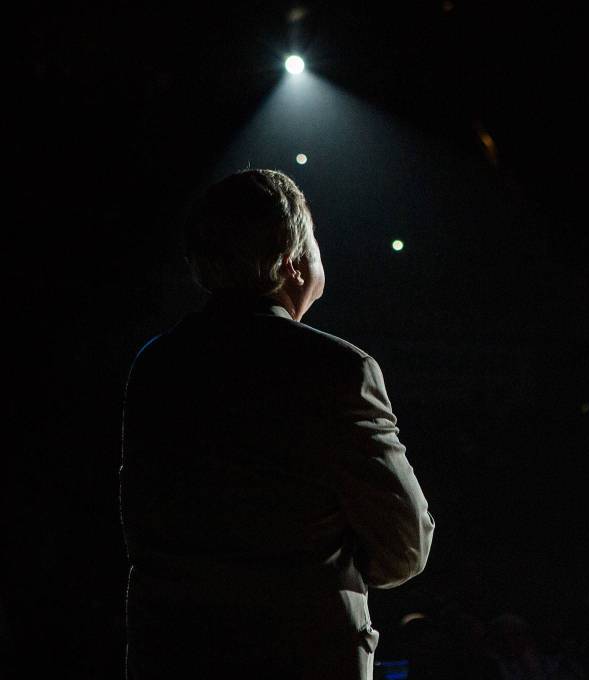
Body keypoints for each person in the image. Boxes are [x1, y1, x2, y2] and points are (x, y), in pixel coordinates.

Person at [119, 169, 434, 679]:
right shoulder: (340, 371)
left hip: (173, 655)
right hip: (303, 658)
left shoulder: (155, 366)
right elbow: (405, 545)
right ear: (292, 262)